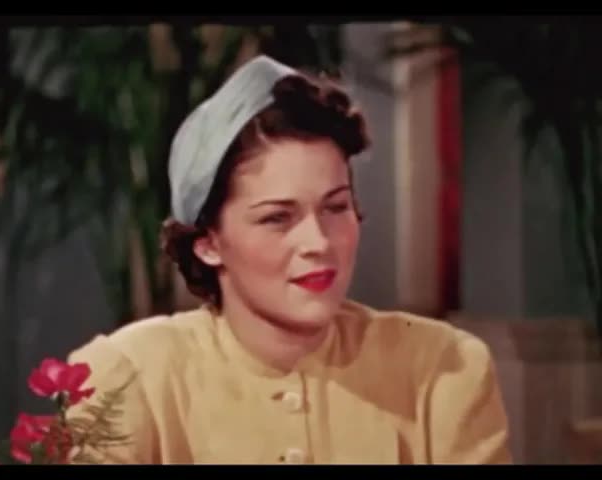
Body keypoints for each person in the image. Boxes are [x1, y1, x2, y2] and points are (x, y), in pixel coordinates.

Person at [67, 55, 512, 464]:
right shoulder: (129, 379)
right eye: (277, 218)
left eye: (336, 207)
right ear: (207, 243)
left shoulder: (442, 369)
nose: (318, 242)